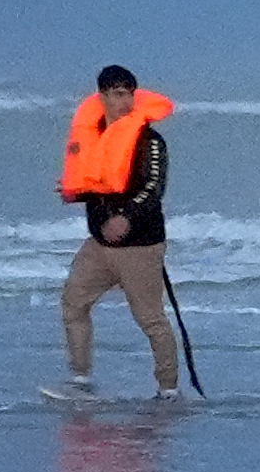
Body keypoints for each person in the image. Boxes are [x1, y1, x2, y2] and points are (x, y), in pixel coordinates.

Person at [49, 65, 182, 401]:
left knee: (150, 319)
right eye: (118, 94)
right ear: (104, 96)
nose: (125, 101)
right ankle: (81, 381)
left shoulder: (150, 141)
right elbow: (96, 186)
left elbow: (153, 188)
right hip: (99, 245)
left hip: (141, 245)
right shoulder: (93, 137)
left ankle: (168, 390)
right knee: (73, 304)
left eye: (129, 94)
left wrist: (125, 217)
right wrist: (73, 192)